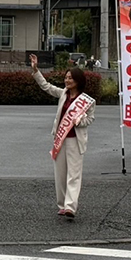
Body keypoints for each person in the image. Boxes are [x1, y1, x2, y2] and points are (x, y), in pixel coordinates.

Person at [30, 54, 96, 219]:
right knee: (60, 174)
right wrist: (36, 70)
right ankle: (62, 204)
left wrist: (80, 121)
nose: (67, 81)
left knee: (74, 174)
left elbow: (90, 120)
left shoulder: (87, 101)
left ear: (78, 81)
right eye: (66, 78)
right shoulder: (63, 94)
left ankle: (70, 206)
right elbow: (46, 86)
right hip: (61, 138)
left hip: (75, 140)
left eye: (70, 78)